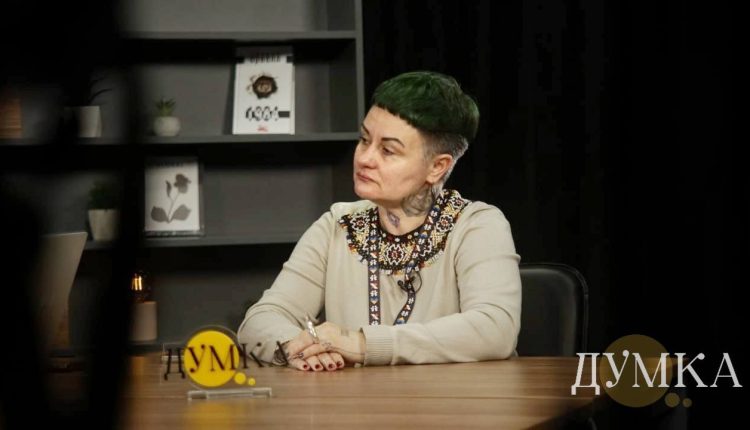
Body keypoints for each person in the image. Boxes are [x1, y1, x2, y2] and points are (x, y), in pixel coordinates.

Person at [238, 71, 521, 371]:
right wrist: (298, 348)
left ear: (437, 167)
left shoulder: (477, 226)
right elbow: (261, 320)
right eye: (364, 140)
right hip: (355, 401)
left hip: (453, 399)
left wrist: (361, 344)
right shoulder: (337, 224)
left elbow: (495, 329)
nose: (364, 158)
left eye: (388, 150)